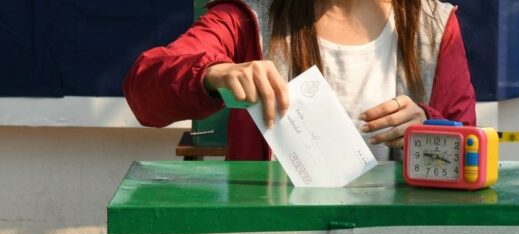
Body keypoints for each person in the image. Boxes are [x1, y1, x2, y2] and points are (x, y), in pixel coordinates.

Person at [123, 0, 476, 161]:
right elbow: (144, 91)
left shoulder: (435, 25)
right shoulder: (247, 17)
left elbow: (469, 146)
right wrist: (213, 73)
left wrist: (428, 126)